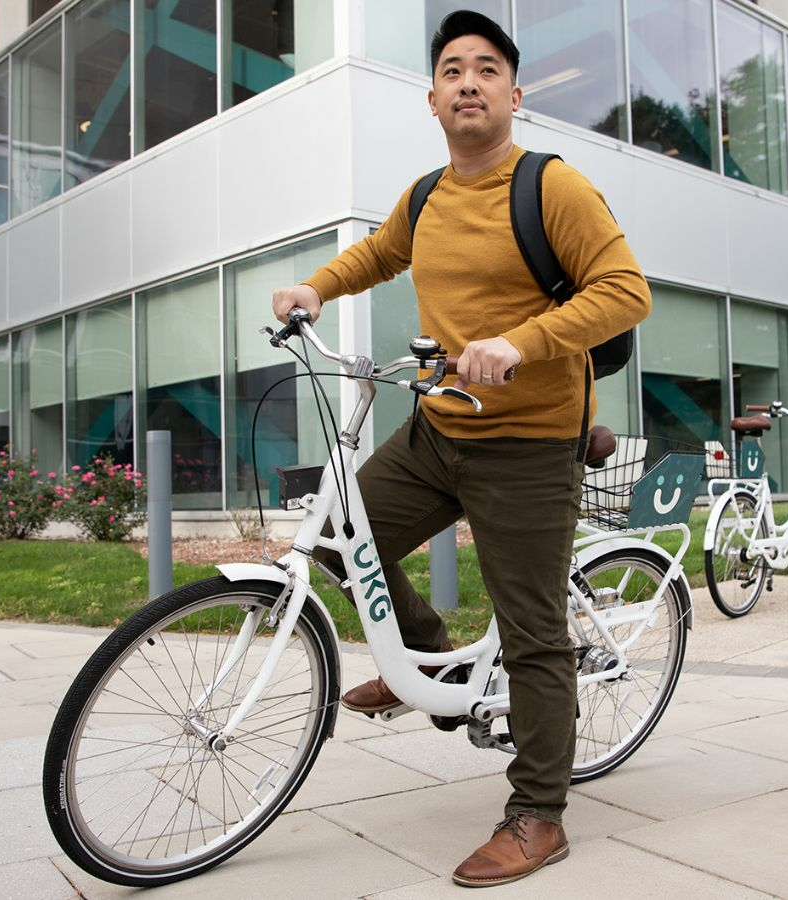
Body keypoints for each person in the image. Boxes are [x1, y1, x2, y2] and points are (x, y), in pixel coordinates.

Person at [270, 10, 650, 889]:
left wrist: (524, 343)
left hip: (527, 443)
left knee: (532, 637)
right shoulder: (427, 196)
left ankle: (538, 814)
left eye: (486, 70)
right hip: (438, 429)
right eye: (452, 70)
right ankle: (427, 660)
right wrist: (315, 288)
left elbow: (626, 292)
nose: (468, 81)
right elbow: (378, 252)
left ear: (513, 96)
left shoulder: (554, 188)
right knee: (336, 536)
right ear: (432, 97)